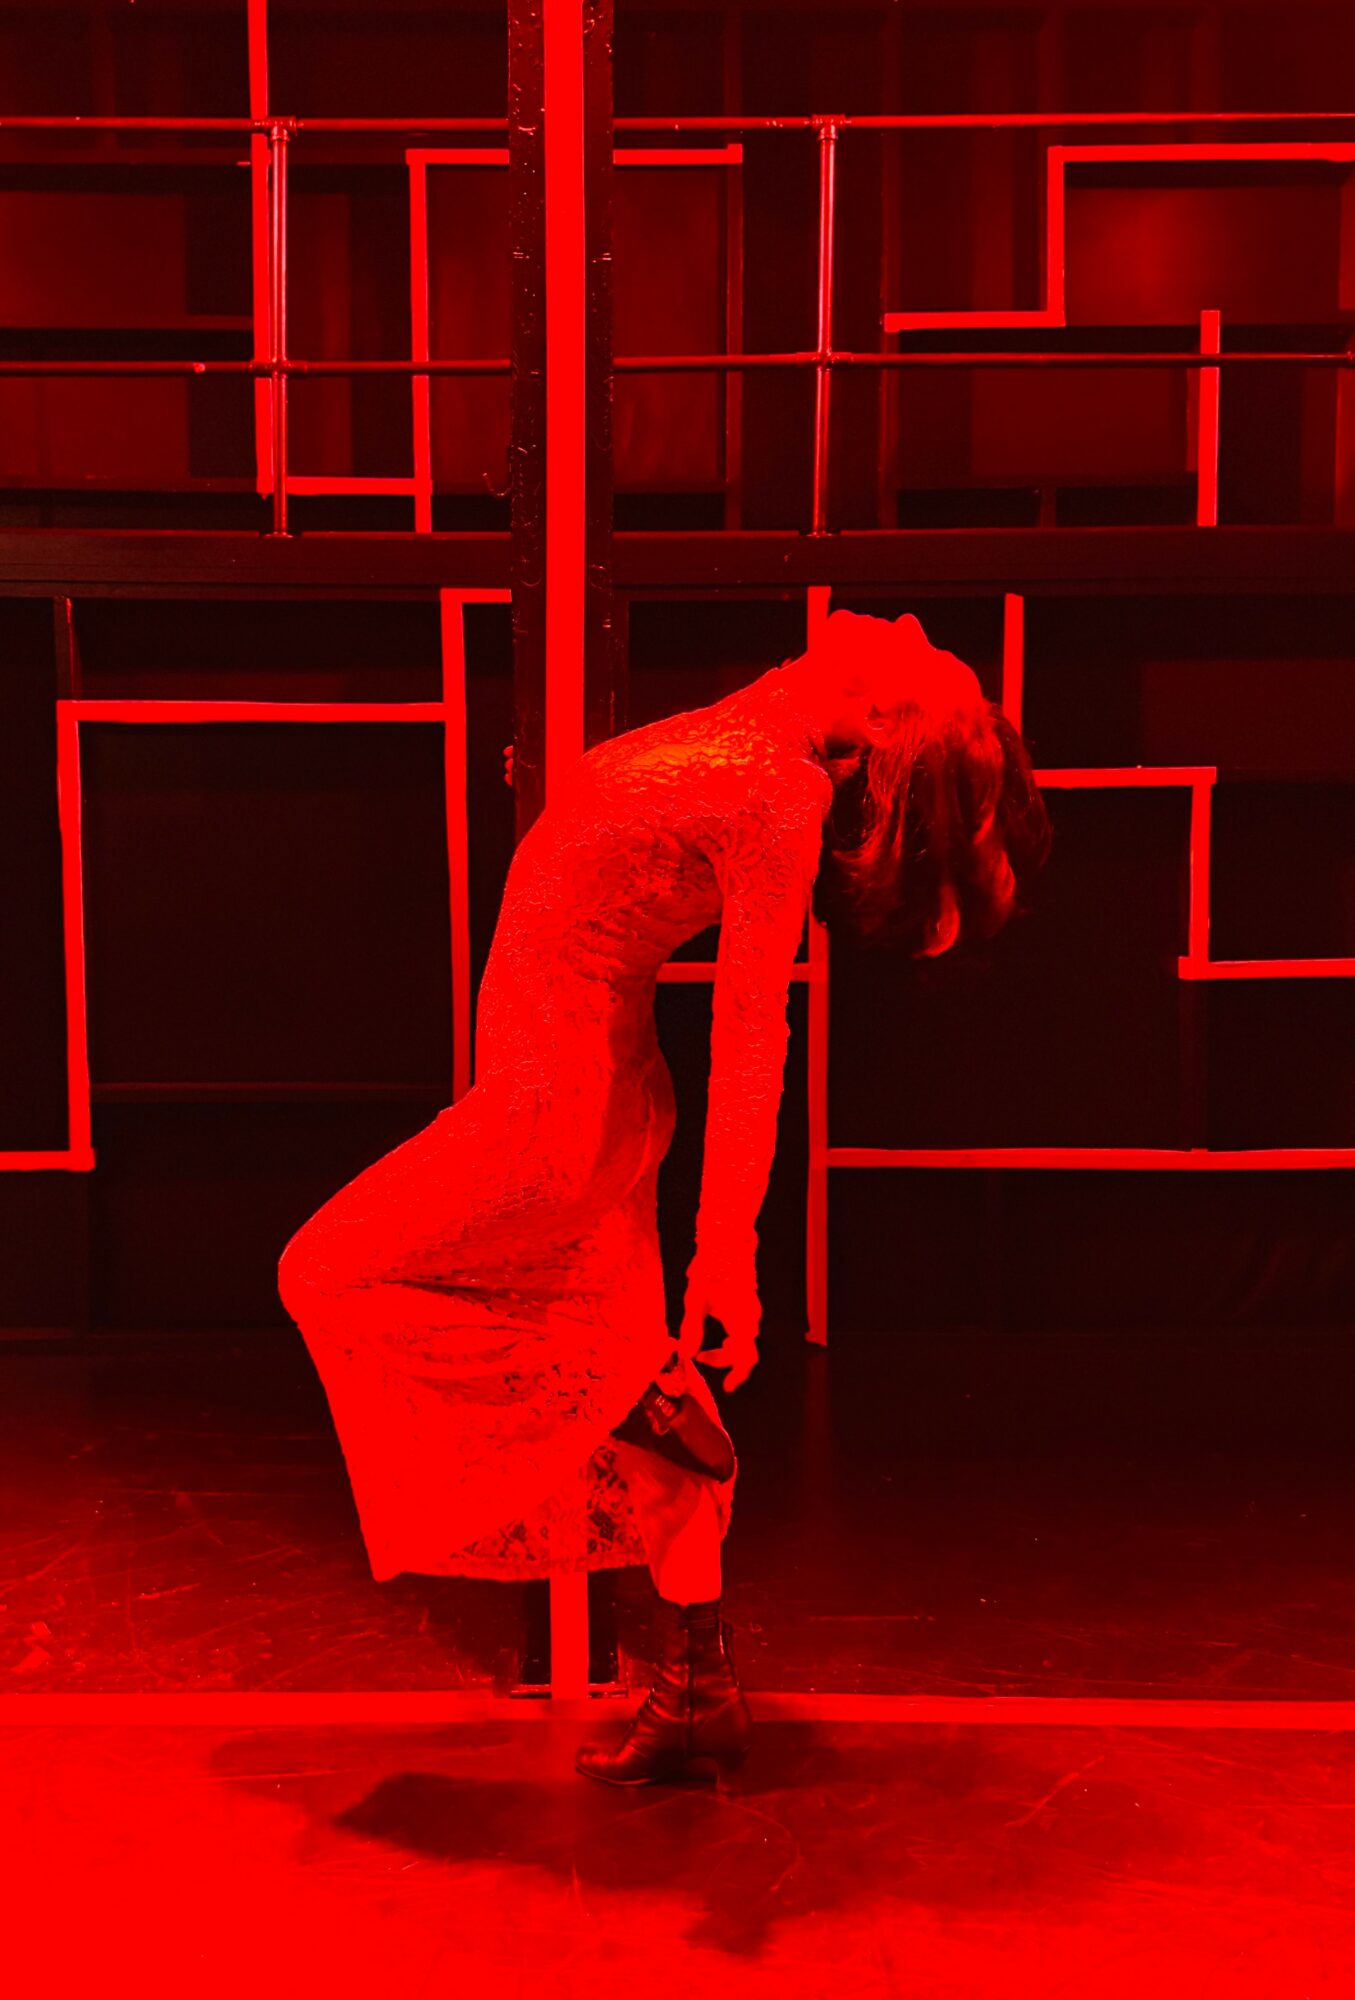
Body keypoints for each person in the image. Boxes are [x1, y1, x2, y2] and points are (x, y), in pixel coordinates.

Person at [276, 608, 1051, 1786]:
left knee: (323, 1269)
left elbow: (751, 1037)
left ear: (879, 714)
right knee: (658, 1430)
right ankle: (697, 1686)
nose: (901, 618)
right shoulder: (758, 729)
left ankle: (623, 1386)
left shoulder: (776, 794)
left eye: (917, 651)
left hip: (551, 1112)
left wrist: (723, 1251)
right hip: (596, 1096)